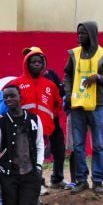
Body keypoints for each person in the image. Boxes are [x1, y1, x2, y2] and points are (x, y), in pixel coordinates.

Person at [0, 84, 51, 205]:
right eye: (5, 97)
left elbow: (39, 145)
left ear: (20, 97)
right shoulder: (1, 122)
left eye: (12, 96)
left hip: (30, 176)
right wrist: (0, 169)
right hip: (9, 176)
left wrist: (38, 167)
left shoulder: (34, 119)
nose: (8, 100)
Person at [63, 21, 103, 194]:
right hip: (78, 105)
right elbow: (68, 75)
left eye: (83, 34)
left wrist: (98, 78)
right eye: (78, 33)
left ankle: (98, 181)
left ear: (92, 35)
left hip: (98, 105)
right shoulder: (74, 54)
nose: (79, 37)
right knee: (78, 145)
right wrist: (69, 93)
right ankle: (81, 180)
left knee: (99, 144)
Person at [11, 47, 62, 192]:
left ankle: (38, 183)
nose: (36, 64)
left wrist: (50, 118)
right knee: (24, 155)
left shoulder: (50, 85)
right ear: (27, 64)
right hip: (22, 127)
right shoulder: (17, 83)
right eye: (33, 62)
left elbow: (58, 103)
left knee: (39, 156)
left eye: (39, 62)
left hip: (43, 127)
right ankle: (26, 183)